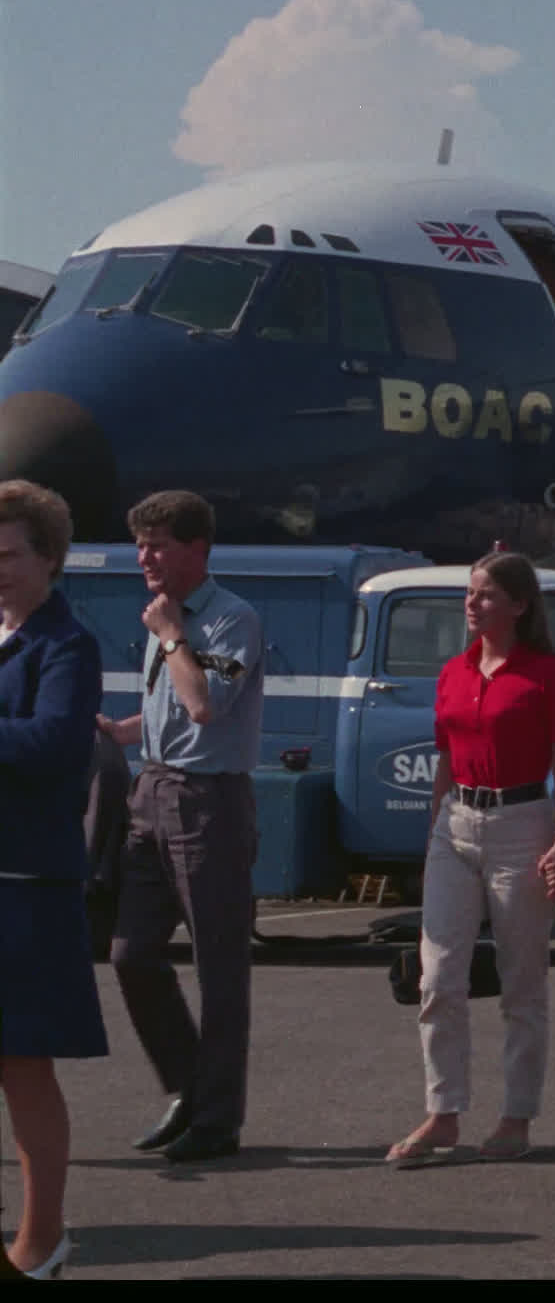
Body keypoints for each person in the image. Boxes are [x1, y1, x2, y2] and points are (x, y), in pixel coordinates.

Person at [386, 549, 555, 1169]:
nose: (471, 605)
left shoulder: (549, 674)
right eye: (469, 595)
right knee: (438, 978)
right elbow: (445, 755)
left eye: (485, 595)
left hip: (523, 825)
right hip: (456, 825)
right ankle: (443, 1114)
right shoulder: (454, 672)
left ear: (520, 606)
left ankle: (516, 1116)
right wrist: (435, 824)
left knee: (522, 984)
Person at [99, 490, 264, 1162]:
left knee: (218, 967)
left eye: (160, 545)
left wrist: (171, 635)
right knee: (130, 952)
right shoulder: (162, 618)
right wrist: (120, 730)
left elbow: (202, 706)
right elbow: (167, 707)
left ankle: (217, 1119)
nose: (145, 557)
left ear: (198, 550)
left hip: (209, 803)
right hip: (153, 788)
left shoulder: (231, 620)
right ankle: (188, 1086)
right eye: (140, 545)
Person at [0, 480, 105, 1277]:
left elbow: (53, 744)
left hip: (27, 884)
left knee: (24, 1065)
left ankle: (43, 1238)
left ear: (48, 559)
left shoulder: (66, 645)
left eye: (8, 555)